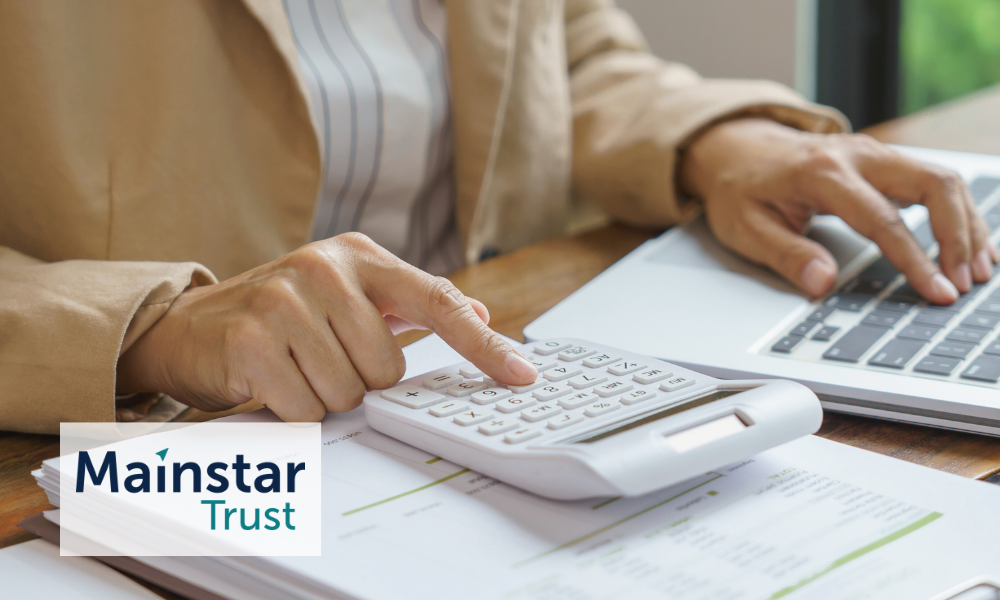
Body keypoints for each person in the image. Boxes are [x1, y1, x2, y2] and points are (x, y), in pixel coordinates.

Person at [0, 0, 993, 434]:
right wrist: (154, 326)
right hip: (156, 444)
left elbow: (566, 49)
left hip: (487, 386)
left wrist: (718, 140)